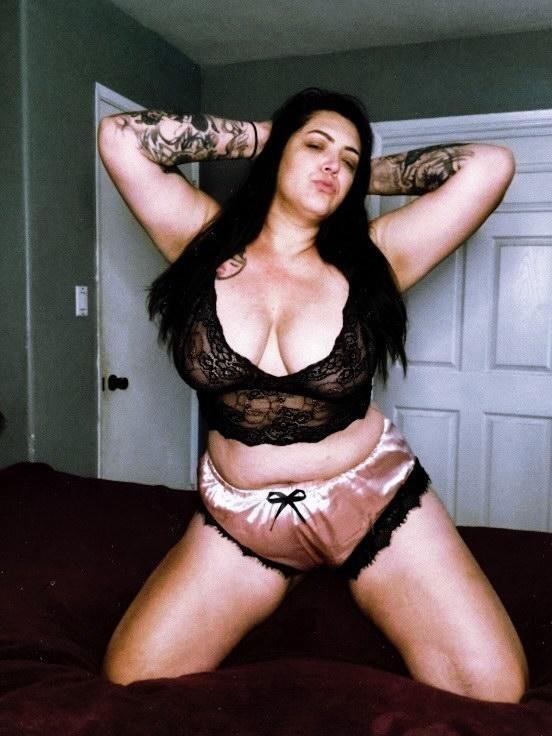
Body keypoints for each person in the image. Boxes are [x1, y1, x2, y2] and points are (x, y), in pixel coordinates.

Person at [97, 88, 528, 701]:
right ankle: (295, 574)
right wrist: (269, 137)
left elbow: (489, 166)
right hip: (242, 520)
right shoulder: (201, 242)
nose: (333, 164)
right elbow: (120, 137)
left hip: (371, 503)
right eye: (316, 146)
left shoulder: (376, 258)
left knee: (494, 689)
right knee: (131, 678)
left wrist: (353, 173)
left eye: (349, 159)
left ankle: (338, 568)